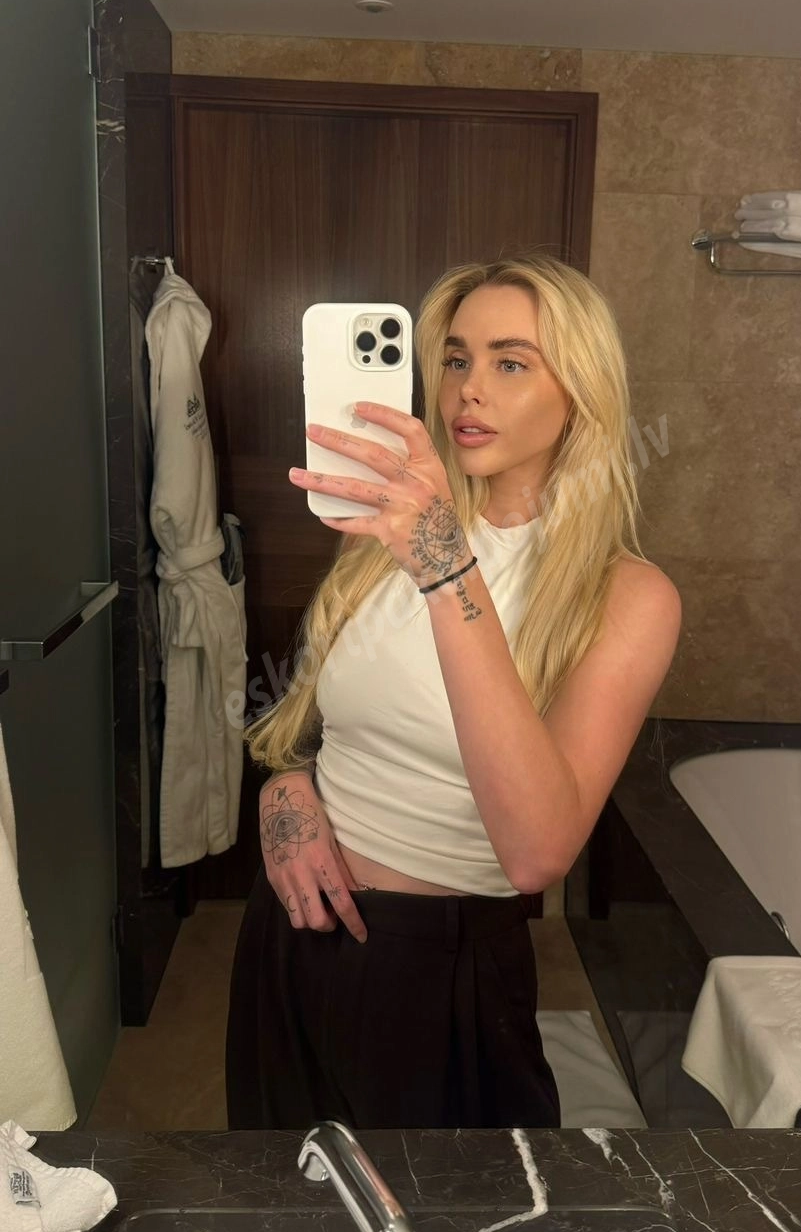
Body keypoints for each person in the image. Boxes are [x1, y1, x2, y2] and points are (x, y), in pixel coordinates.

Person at [225, 253, 682, 1129]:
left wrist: (444, 565)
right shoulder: (381, 538)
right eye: (457, 358)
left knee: (455, 1216)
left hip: (438, 970)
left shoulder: (627, 597)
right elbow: (307, 719)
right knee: (277, 1200)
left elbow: (538, 852)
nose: (469, 388)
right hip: (288, 931)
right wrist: (285, 793)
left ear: (582, 392)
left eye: (511, 362)